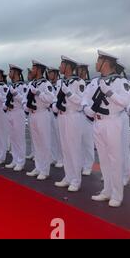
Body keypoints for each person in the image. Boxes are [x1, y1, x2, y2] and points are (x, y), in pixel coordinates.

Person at [84, 50, 130, 208]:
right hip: (98, 122)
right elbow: (85, 97)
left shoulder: (121, 82)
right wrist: (86, 108)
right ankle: (107, 190)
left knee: (115, 159)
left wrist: (109, 92)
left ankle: (117, 194)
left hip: (113, 122)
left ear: (106, 63)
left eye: (98, 61)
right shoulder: (95, 82)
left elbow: (125, 102)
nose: (96, 64)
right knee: (103, 159)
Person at [53, 56, 86, 192]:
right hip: (62, 116)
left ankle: (76, 180)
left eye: (62, 65)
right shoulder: (60, 82)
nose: (60, 67)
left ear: (68, 67)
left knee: (74, 149)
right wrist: (55, 106)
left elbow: (81, 101)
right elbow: (56, 98)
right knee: (65, 148)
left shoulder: (79, 82)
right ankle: (68, 176)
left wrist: (69, 92)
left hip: (73, 116)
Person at [25, 60, 55, 181]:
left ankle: (45, 170)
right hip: (33, 114)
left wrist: (38, 92)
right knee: (36, 143)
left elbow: (50, 98)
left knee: (44, 143)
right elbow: (25, 98)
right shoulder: (32, 83)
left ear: (39, 70)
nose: (32, 70)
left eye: (33, 68)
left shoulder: (45, 84)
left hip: (42, 114)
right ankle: (38, 167)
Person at [5, 64, 28, 171]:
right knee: (13, 137)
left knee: (19, 138)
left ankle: (21, 161)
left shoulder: (22, 86)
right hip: (10, 112)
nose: (9, 74)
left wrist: (15, 94)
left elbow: (24, 100)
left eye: (11, 71)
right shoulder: (11, 86)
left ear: (16, 73)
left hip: (18, 112)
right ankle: (14, 159)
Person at [76, 63, 96, 176]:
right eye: (78, 70)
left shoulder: (90, 84)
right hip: (78, 115)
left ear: (85, 71)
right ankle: (81, 164)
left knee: (88, 142)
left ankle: (88, 165)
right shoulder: (76, 83)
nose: (79, 72)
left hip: (87, 116)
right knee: (79, 142)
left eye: (81, 70)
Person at [47, 66, 64, 169]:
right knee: (52, 136)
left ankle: (61, 159)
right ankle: (53, 157)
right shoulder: (48, 84)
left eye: (51, 73)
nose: (49, 74)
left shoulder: (60, 83)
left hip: (57, 112)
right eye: (48, 73)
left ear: (56, 74)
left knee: (59, 137)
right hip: (50, 111)